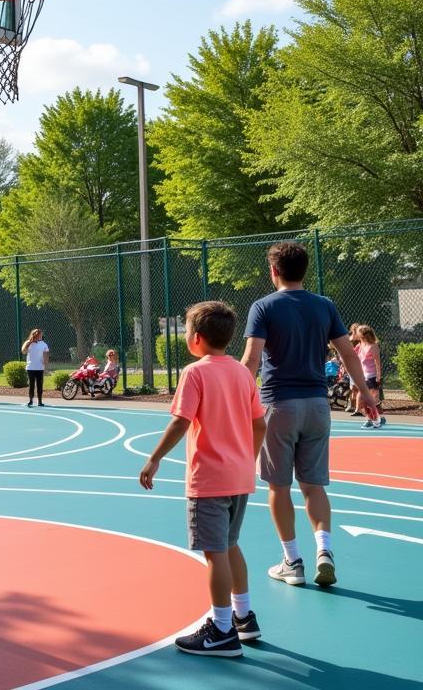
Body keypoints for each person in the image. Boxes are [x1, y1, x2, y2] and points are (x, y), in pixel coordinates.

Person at [241, 241, 377, 587]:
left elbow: (252, 360)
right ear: (304, 270)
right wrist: (364, 393)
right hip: (317, 405)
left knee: (278, 485)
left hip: (279, 405)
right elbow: (348, 353)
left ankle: (292, 561)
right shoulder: (324, 305)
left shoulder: (263, 307)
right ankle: (324, 550)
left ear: (274, 271)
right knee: (313, 486)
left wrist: (235, 398)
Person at [140, 301, 267, 658]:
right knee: (230, 545)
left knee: (215, 553)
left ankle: (222, 629)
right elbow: (260, 424)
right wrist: (248, 457)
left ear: (195, 339)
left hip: (209, 478)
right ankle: (244, 617)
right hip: (239, 475)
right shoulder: (243, 373)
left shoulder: (195, 373)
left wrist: (154, 458)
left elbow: (181, 421)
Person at [354, 325, 386, 429]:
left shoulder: (373, 346)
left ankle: (372, 420)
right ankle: (377, 419)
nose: (356, 334)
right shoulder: (360, 344)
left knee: (368, 401)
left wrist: (378, 378)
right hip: (363, 377)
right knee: (360, 403)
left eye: (357, 332)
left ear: (363, 335)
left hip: (372, 378)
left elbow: (378, 363)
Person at [21, 328, 49, 407]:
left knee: (40, 385)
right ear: (34, 335)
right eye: (38, 334)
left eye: (40, 335)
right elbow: (23, 351)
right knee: (31, 385)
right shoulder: (28, 343)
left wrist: (46, 367)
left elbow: (46, 355)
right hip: (30, 368)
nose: (40, 336)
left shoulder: (44, 344)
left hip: (40, 368)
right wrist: (29, 342)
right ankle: (30, 401)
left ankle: (40, 401)